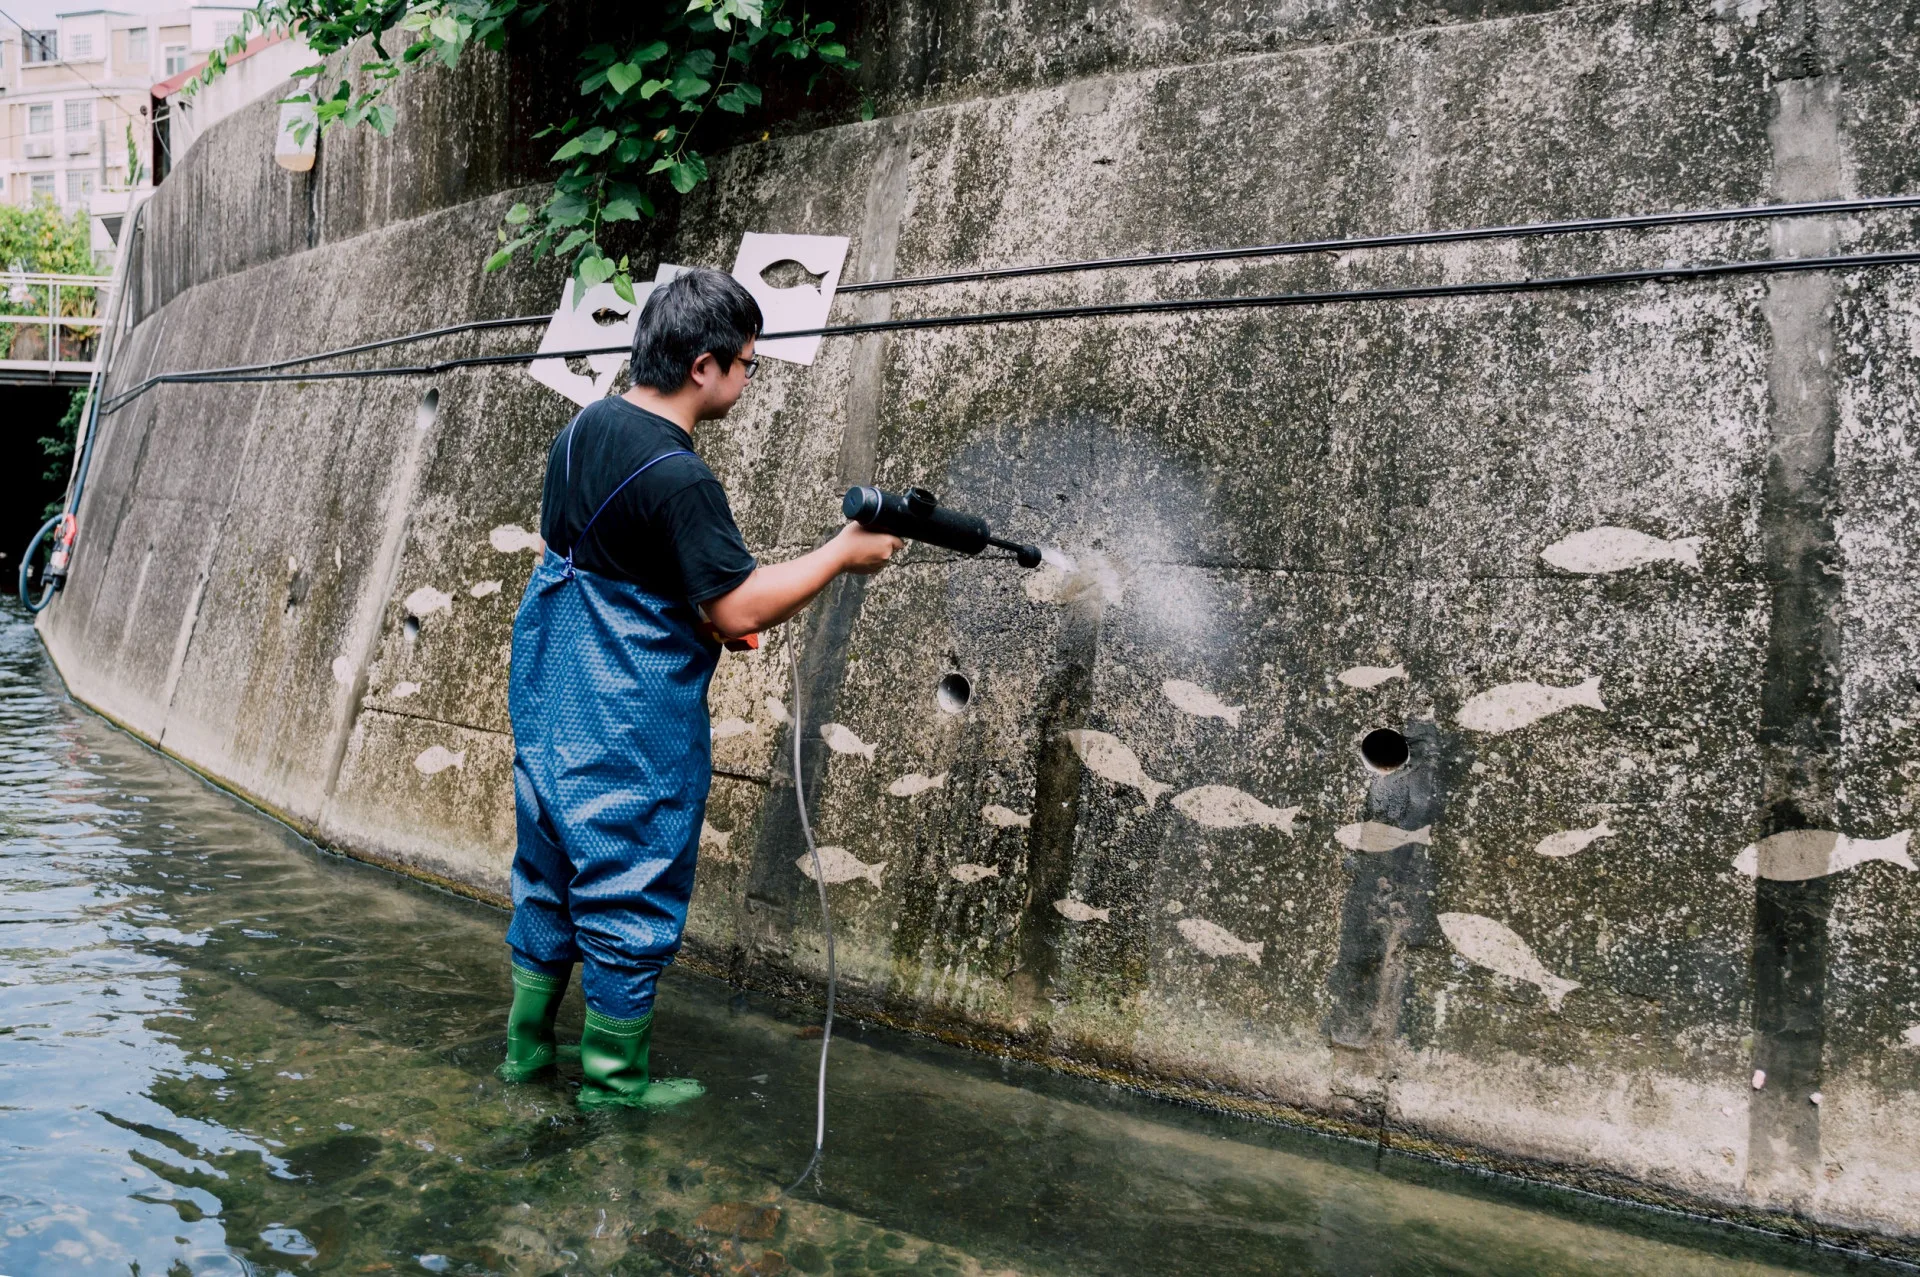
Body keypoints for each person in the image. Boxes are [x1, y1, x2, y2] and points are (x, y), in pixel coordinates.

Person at [496, 267, 902, 1109]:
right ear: (704, 366)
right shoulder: (681, 478)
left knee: (548, 865)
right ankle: (614, 1087)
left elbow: (602, 563)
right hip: (623, 712)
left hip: (549, 695)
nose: (750, 379)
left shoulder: (582, 430)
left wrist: (704, 614)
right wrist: (840, 554)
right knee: (626, 875)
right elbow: (738, 600)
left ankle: (525, 1055)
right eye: (748, 364)